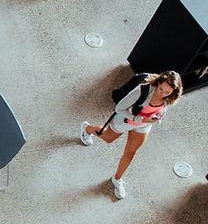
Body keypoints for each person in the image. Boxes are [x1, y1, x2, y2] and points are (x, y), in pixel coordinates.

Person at [77, 71, 184, 199]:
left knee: (130, 153)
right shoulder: (143, 90)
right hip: (125, 121)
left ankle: (117, 179)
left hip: (143, 126)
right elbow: (119, 108)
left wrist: (157, 118)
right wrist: (139, 119)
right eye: (161, 89)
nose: (163, 93)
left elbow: (160, 111)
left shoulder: (169, 98)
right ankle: (87, 129)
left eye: (167, 92)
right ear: (158, 83)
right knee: (108, 138)